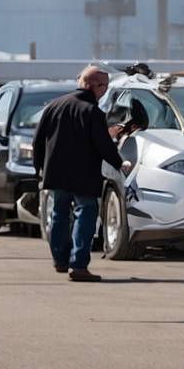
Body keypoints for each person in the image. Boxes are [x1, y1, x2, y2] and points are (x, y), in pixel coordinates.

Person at [33, 66, 125, 282]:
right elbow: (103, 144)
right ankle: (79, 265)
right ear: (95, 86)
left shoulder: (54, 106)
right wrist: (119, 163)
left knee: (59, 215)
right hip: (83, 174)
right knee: (86, 213)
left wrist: (38, 169)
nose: (105, 90)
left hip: (56, 173)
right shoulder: (92, 111)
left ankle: (60, 260)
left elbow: (38, 140)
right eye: (105, 86)